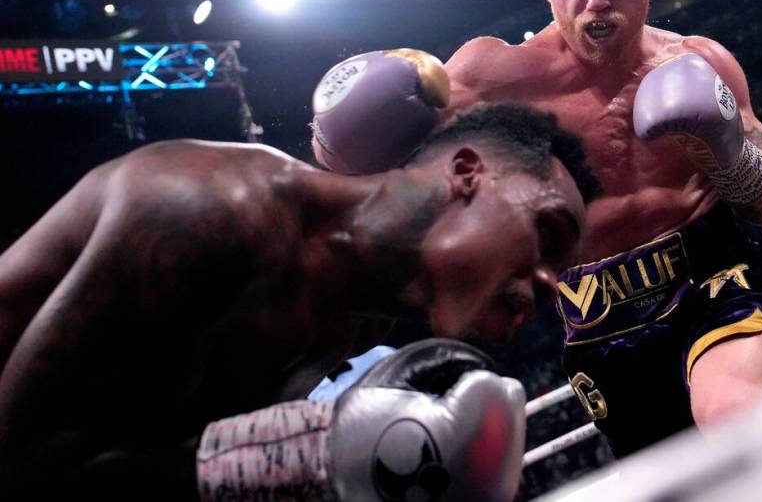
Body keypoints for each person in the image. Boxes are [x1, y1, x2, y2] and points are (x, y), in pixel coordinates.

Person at [311, 0, 762, 458]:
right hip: (596, 324)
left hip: (715, 280)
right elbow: (361, 170)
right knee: (677, 474)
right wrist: (342, 135)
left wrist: (731, 154)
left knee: (737, 419)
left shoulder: (700, 62)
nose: (595, 1)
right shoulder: (493, 77)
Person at [0, 100, 599, 500]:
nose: (549, 283)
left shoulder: (349, 324)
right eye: (546, 233)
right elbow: (22, 463)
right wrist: (303, 458)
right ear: (466, 171)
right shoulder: (210, 209)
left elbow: (153, 463)